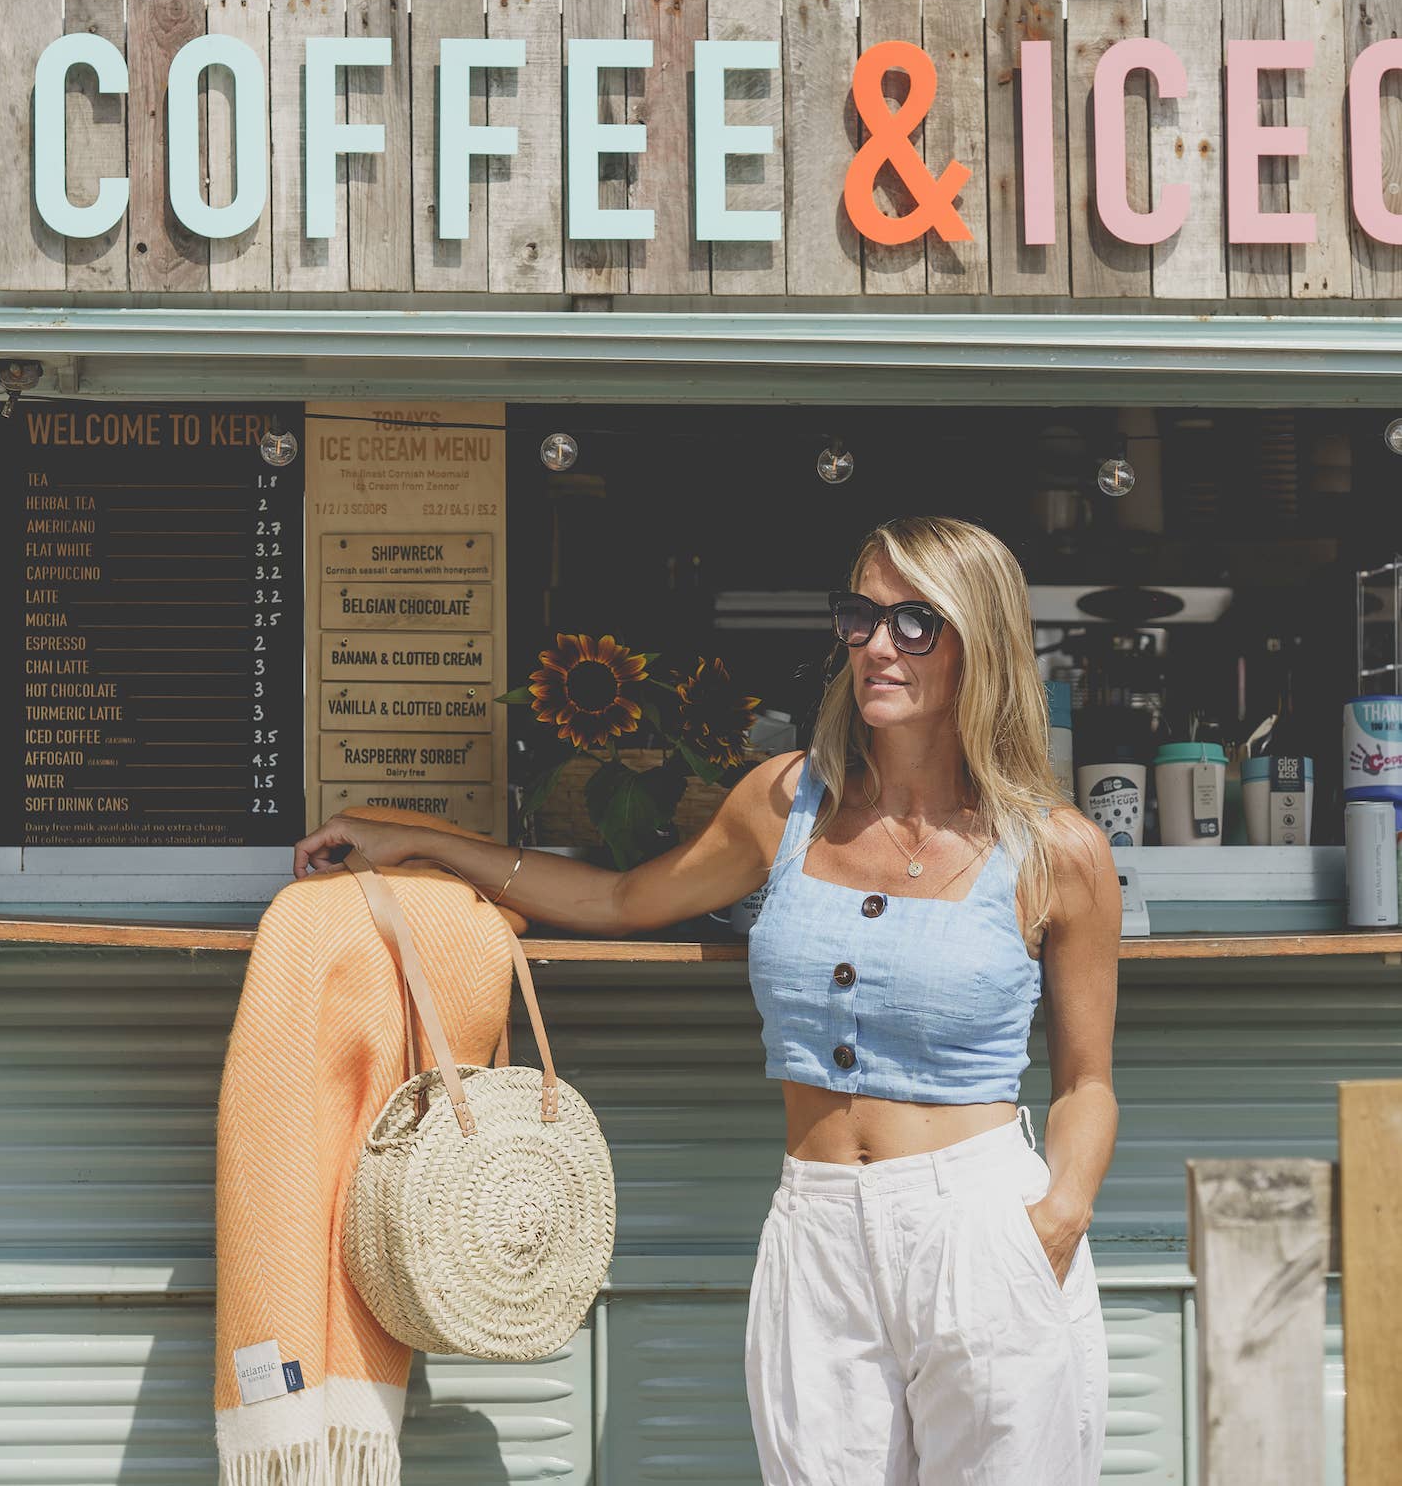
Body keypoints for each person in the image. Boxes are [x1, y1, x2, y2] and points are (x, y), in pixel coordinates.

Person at [294, 514, 1120, 1485]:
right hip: (818, 1228)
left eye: (913, 623)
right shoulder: (786, 802)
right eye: (860, 616)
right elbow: (620, 897)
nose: (876, 646)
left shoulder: (1056, 850)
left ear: (980, 641)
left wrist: (1054, 1221)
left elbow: (1086, 1084)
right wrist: (421, 840)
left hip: (984, 1223)